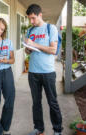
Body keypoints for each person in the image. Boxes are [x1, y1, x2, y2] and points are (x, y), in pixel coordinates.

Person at [25, 4, 63, 135]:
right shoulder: (30, 31)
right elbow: (28, 51)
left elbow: (53, 50)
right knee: (36, 103)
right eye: (30, 19)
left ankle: (57, 130)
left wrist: (34, 44)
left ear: (40, 15)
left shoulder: (50, 28)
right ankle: (39, 128)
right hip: (33, 72)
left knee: (52, 102)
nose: (31, 21)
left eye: (33, 18)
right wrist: (28, 48)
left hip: (47, 72)